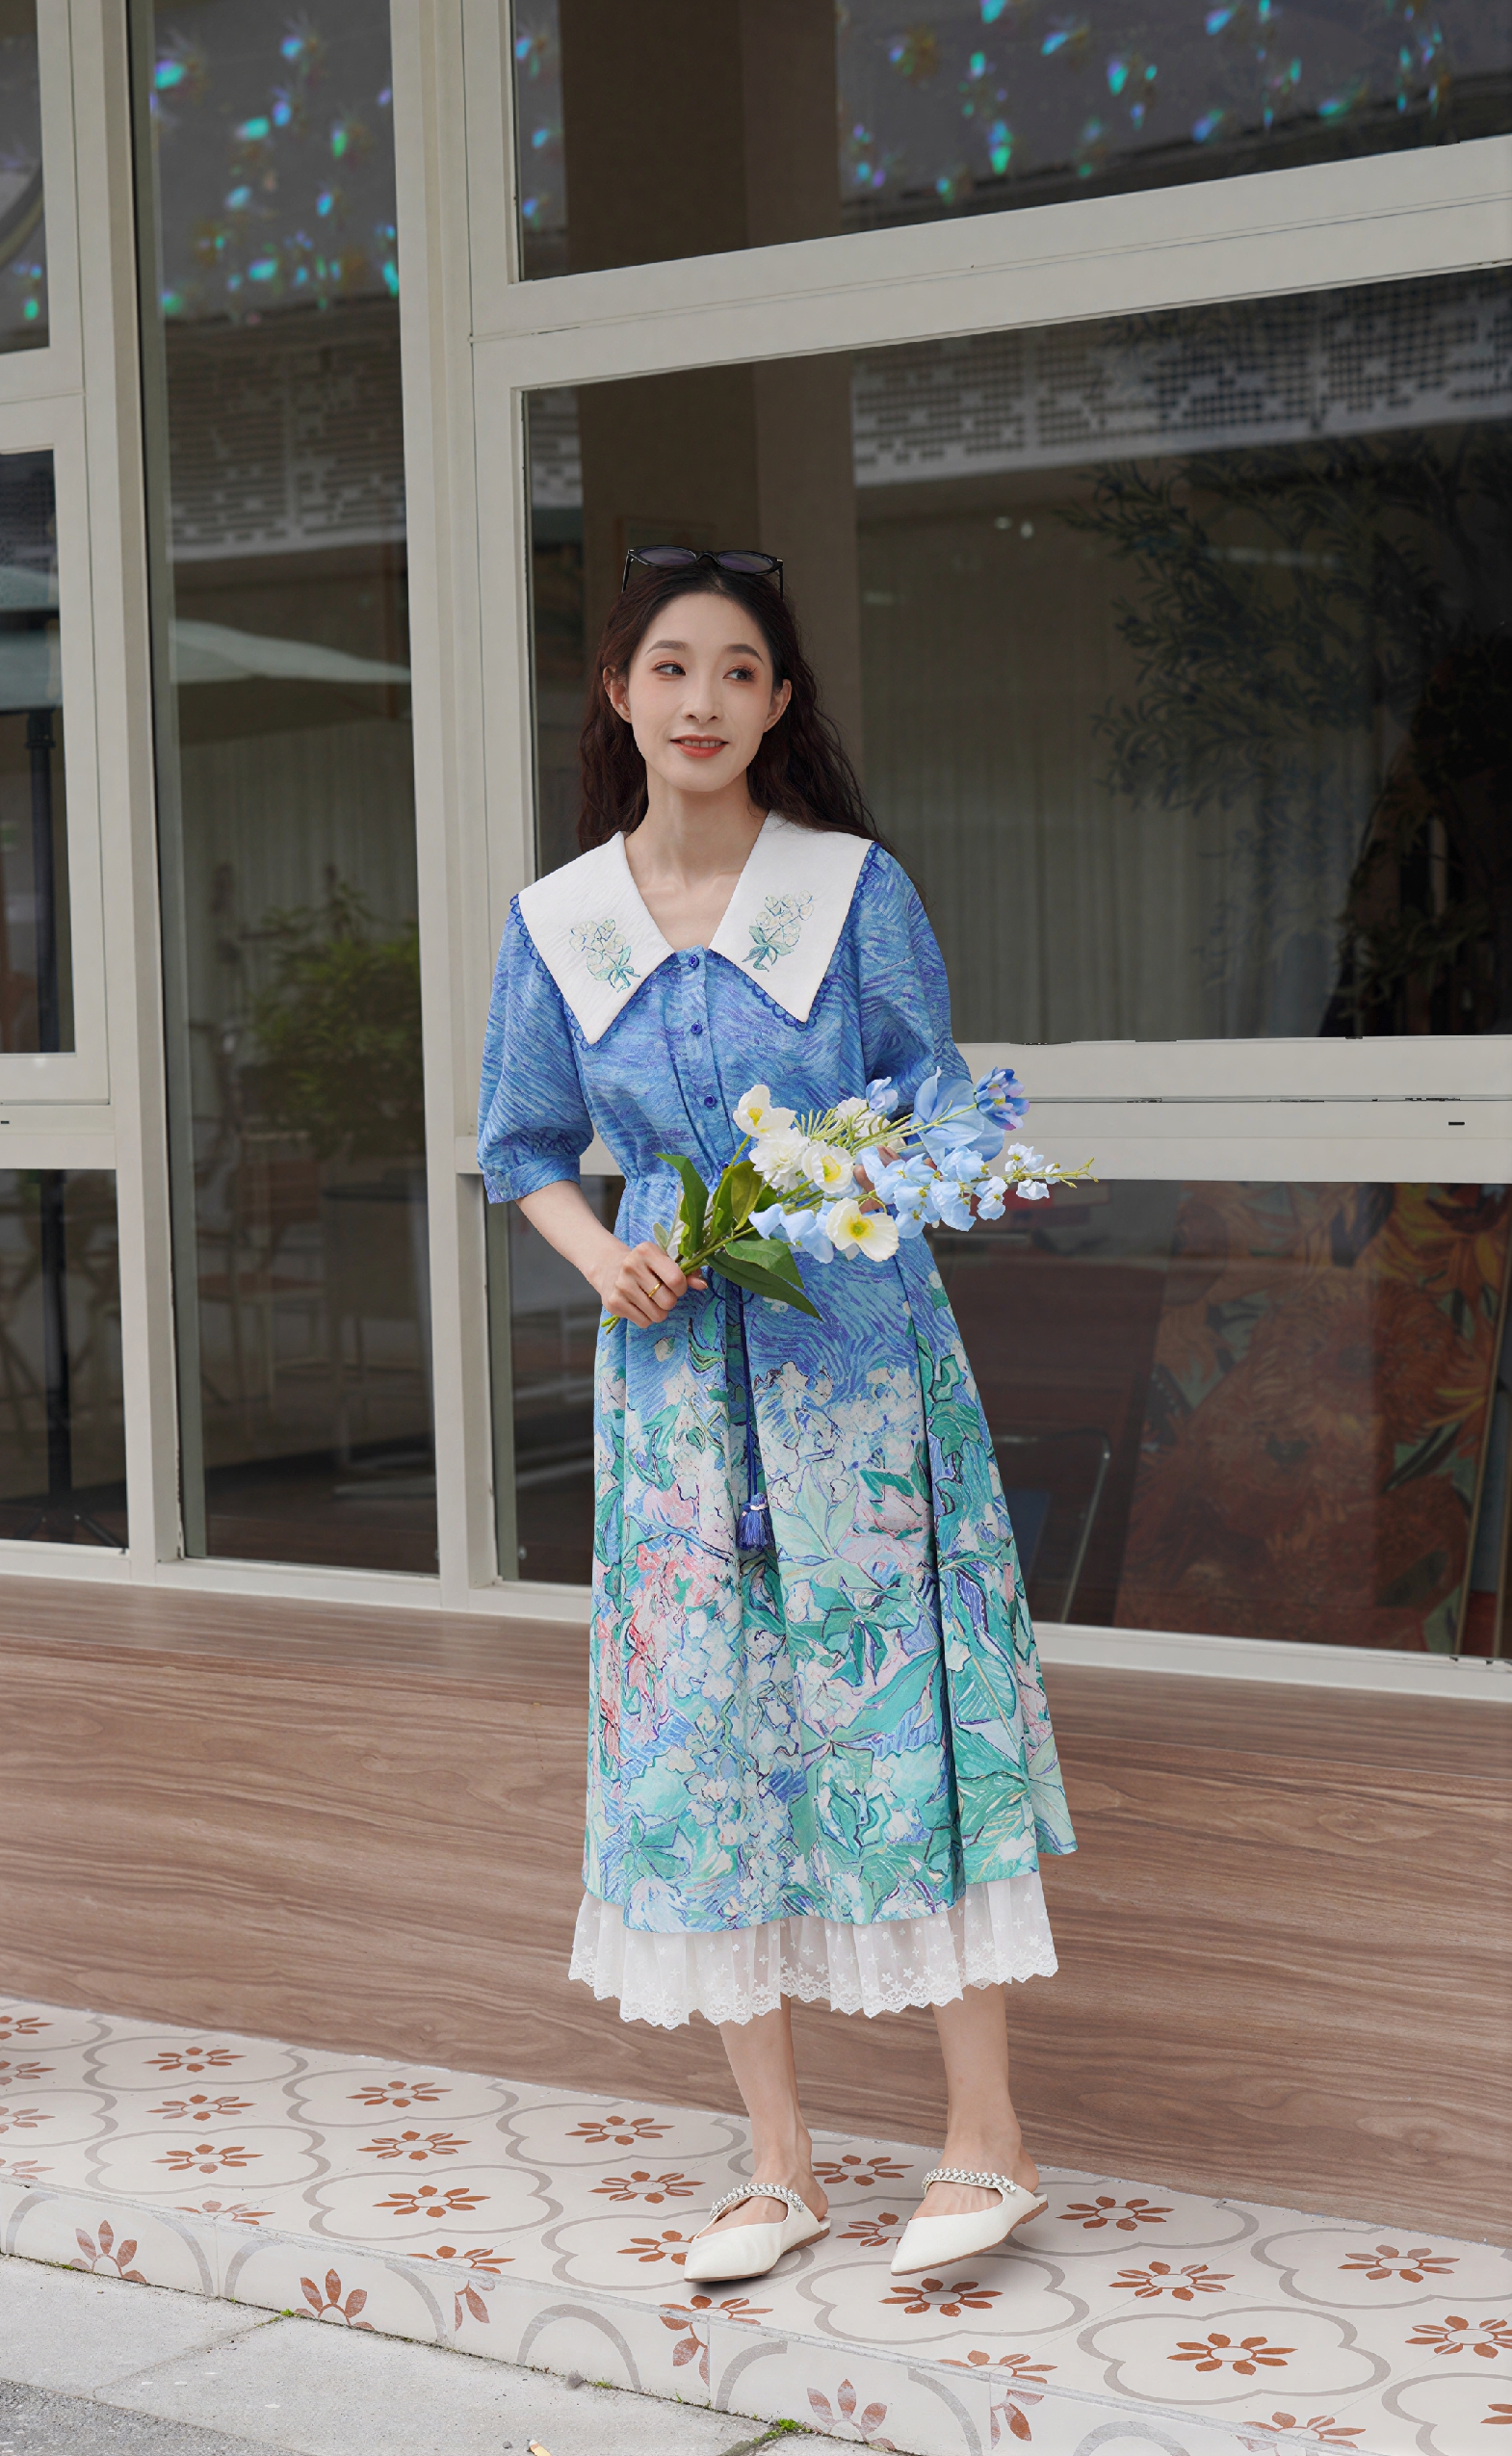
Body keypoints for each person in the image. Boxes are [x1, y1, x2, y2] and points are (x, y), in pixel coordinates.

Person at [478, 546, 1076, 2286]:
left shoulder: (849, 890)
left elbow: (931, 1101)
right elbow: (523, 1148)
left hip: (857, 1376)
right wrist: (605, 1257)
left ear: (781, 705)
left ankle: (989, 2137)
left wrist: (833, 1185)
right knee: (706, 1737)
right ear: (620, 695)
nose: (703, 701)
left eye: (740, 672)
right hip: (672, 1395)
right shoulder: (560, 925)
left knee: (901, 1711)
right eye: (672, 668)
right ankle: (780, 2163)